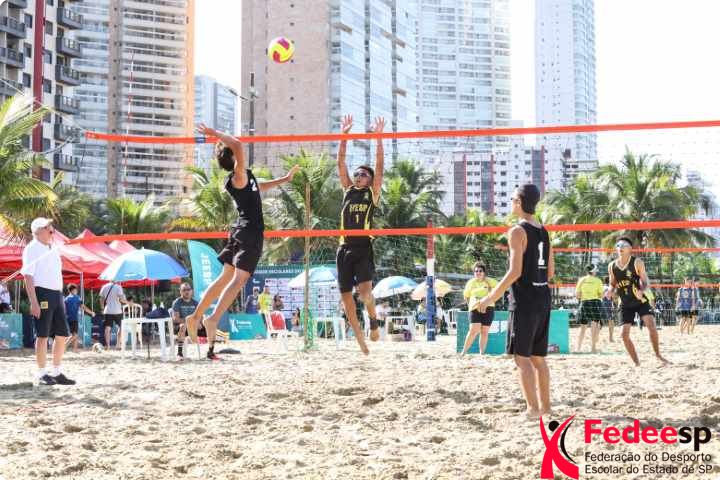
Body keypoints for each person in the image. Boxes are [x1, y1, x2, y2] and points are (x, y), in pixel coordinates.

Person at [185, 124, 300, 360]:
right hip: (250, 232)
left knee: (224, 278)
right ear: (234, 158)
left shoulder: (242, 178)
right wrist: (215, 134)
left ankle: (195, 316)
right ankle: (212, 318)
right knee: (239, 280)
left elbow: (259, 187)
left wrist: (285, 179)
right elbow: (237, 144)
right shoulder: (239, 175)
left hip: (239, 230)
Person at [476, 185, 554, 418]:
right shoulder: (544, 231)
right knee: (538, 358)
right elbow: (550, 272)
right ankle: (546, 408)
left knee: (522, 357)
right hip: (543, 296)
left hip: (525, 299)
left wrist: (490, 298)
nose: (510, 202)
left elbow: (514, 272)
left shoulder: (517, 231)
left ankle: (532, 409)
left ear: (519, 202)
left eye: (512, 199)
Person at [335, 114, 385, 355]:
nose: (358, 176)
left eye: (363, 174)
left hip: (363, 247)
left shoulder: (372, 194)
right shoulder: (347, 189)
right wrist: (344, 136)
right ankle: (361, 342)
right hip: (344, 248)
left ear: (371, 179)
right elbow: (340, 162)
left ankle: (373, 321)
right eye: (357, 173)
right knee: (346, 299)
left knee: (365, 294)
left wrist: (379, 138)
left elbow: (380, 164)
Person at [21, 217, 75, 385]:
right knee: (42, 334)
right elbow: (28, 276)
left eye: (51, 227)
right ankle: (41, 373)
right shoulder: (32, 248)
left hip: (57, 294)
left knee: (62, 334)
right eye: (48, 227)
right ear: (38, 231)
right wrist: (34, 302)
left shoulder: (52, 247)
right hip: (42, 293)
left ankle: (56, 371)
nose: (52, 230)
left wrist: (60, 297)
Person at [607, 237, 668, 366]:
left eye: (624, 245)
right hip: (625, 303)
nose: (620, 247)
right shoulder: (612, 266)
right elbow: (612, 283)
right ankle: (637, 363)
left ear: (630, 249)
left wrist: (641, 290)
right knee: (624, 335)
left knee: (651, 326)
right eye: (618, 245)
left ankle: (658, 355)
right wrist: (610, 290)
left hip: (640, 300)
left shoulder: (637, 262)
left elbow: (645, 282)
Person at [461, 261, 498, 355]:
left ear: (484, 272)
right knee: (473, 330)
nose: (478, 272)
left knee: (484, 331)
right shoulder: (471, 282)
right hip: (475, 308)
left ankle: (482, 353)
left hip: (488, 307)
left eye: (480, 271)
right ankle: (463, 352)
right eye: (476, 271)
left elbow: (499, 290)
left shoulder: (490, 281)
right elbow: (466, 296)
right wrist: (470, 306)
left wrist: (492, 296)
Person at [575, 264, 604, 353]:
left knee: (582, 328)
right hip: (595, 303)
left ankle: (578, 348)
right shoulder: (598, 281)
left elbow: (577, 295)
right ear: (593, 271)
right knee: (594, 326)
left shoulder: (581, 280)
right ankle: (593, 348)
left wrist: (585, 295)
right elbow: (601, 295)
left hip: (584, 303)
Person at [171, 283, 200, 358]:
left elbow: (199, 317)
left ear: (192, 291)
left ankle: (211, 350)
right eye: (184, 290)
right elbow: (176, 319)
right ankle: (179, 353)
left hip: (192, 326)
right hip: (178, 327)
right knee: (183, 326)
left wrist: (198, 322)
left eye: (188, 289)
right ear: (180, 291)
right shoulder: (177, 302)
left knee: (208, 323)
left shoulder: (195, 303)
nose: (187, 291)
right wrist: (188, 321)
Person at [63, 284, 94, 353]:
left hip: (68, 318)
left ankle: (75, 350)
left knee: (74, 334)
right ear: (73, 290)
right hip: (74, 318)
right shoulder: (77, 298)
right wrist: (91, 312)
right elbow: (84, 307)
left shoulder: (66, 299)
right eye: (76, 290)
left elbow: (64, 309)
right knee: (75, 335)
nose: (77, 291)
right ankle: (64, 346)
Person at [99, 280, 126, 349]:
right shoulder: (118, 287)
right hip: (117, 310)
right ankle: (118, 344)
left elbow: (101, 299)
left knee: (107, 328)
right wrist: (128, 302)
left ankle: (108, 346)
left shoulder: (104, 286)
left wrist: (102, 308)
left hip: (107, 310)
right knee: (121, 327)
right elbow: (122, 300)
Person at [601, 277, 616, 343]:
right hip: (608, 304)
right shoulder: (610, 288)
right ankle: (610, 338)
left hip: (601, 303)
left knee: (599, 321)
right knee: (611, 321)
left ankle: (596, 337)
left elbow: (600, 296)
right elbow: (613, 297)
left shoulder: (602, 287)